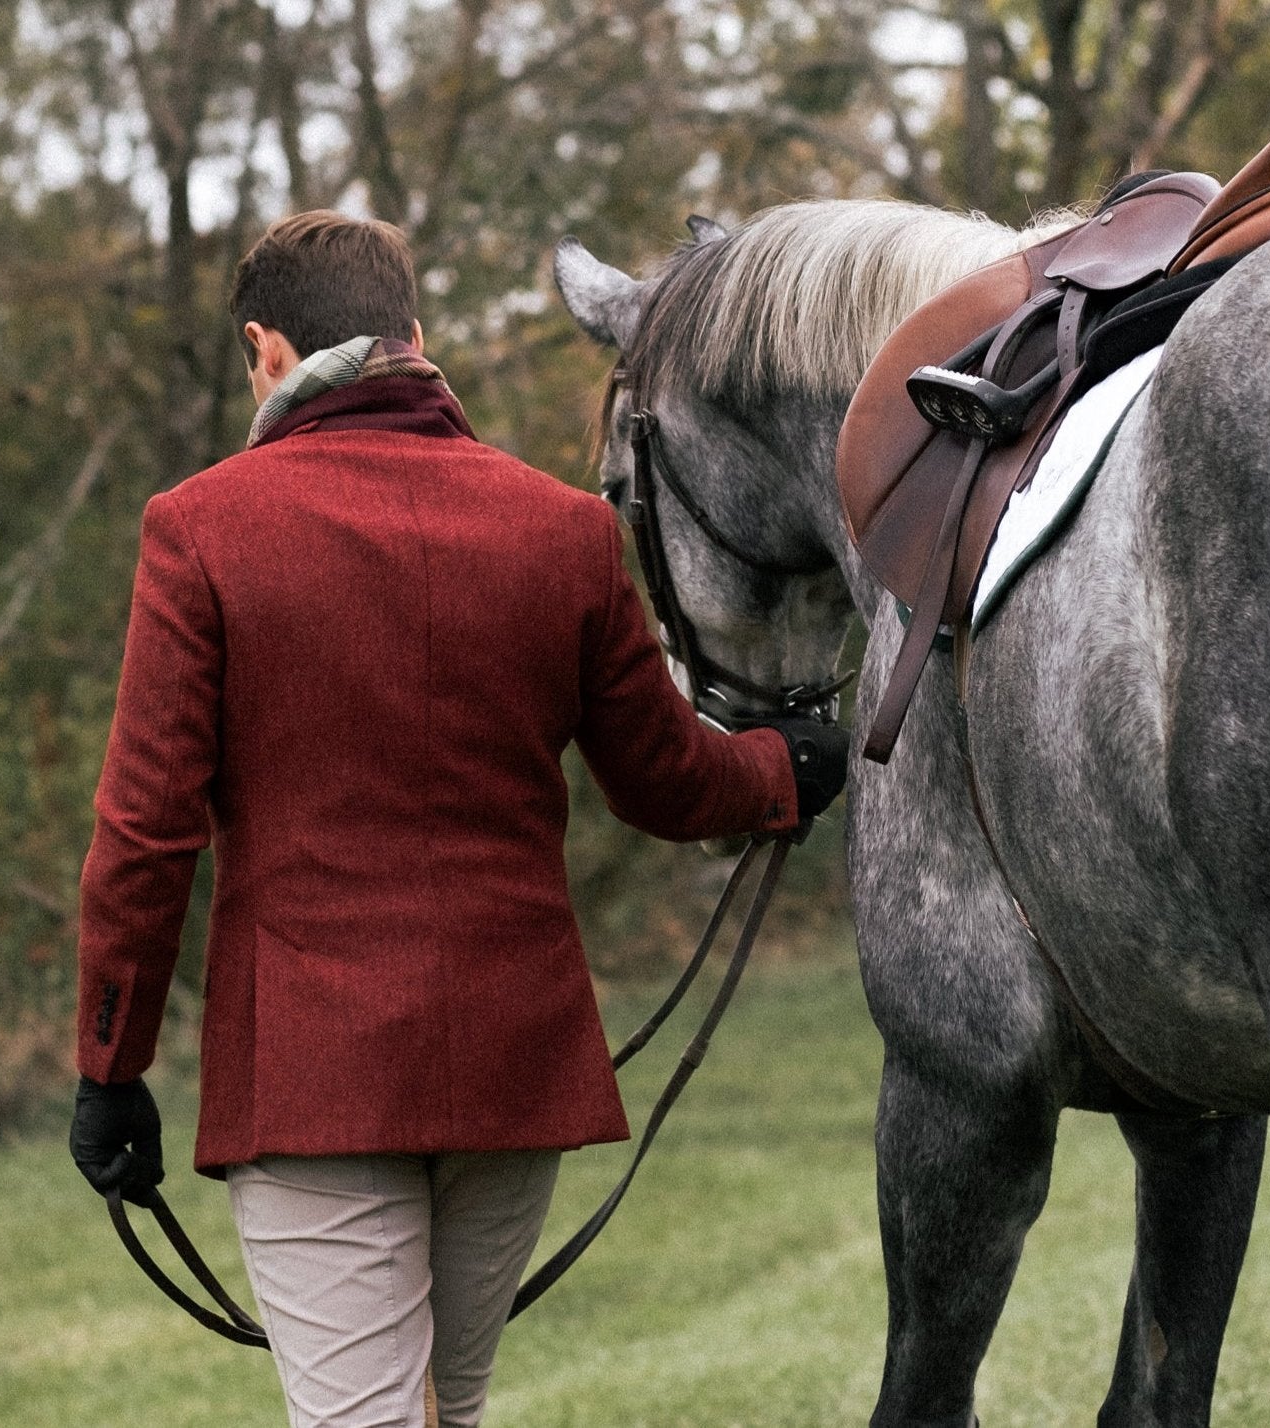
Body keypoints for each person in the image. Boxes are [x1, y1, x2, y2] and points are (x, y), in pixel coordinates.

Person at [67, 210, 848, 1428]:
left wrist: (108, 1069)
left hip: (314, 1083)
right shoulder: (563, 530)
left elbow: (144, 837)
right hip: (510, 1062)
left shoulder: (201, 530)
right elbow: (667, 783)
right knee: (450, 1409)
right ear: (415, 336)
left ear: (265, 349)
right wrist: (788, 768)